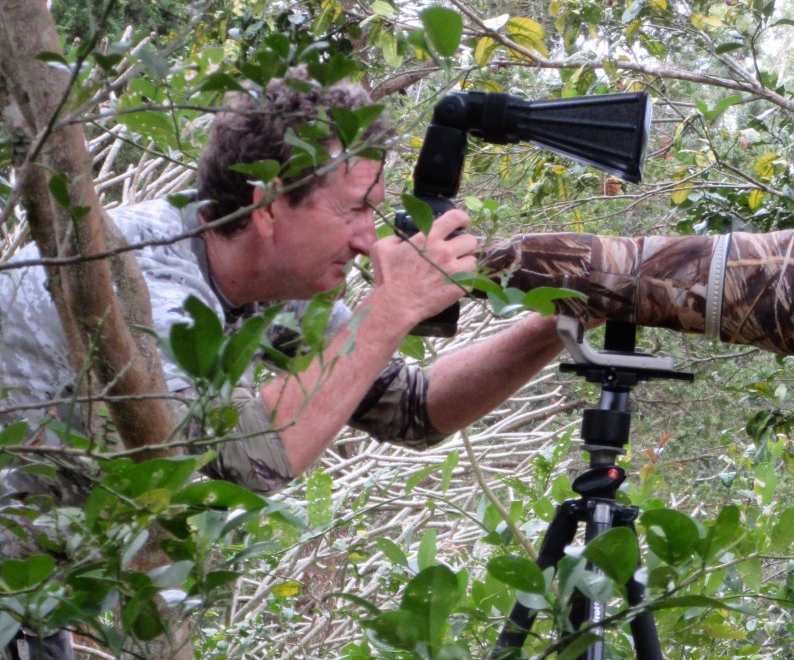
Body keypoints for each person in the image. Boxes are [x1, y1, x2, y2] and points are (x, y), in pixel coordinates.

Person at [0, 69, 565, 658]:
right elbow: (254, 456)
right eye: (353, 211)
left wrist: (561, 321)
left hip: (40, 601)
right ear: (267, 207)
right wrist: (388, 309)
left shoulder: (267, 283)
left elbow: (414, 408)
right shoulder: (149, 287)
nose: (369, 240)